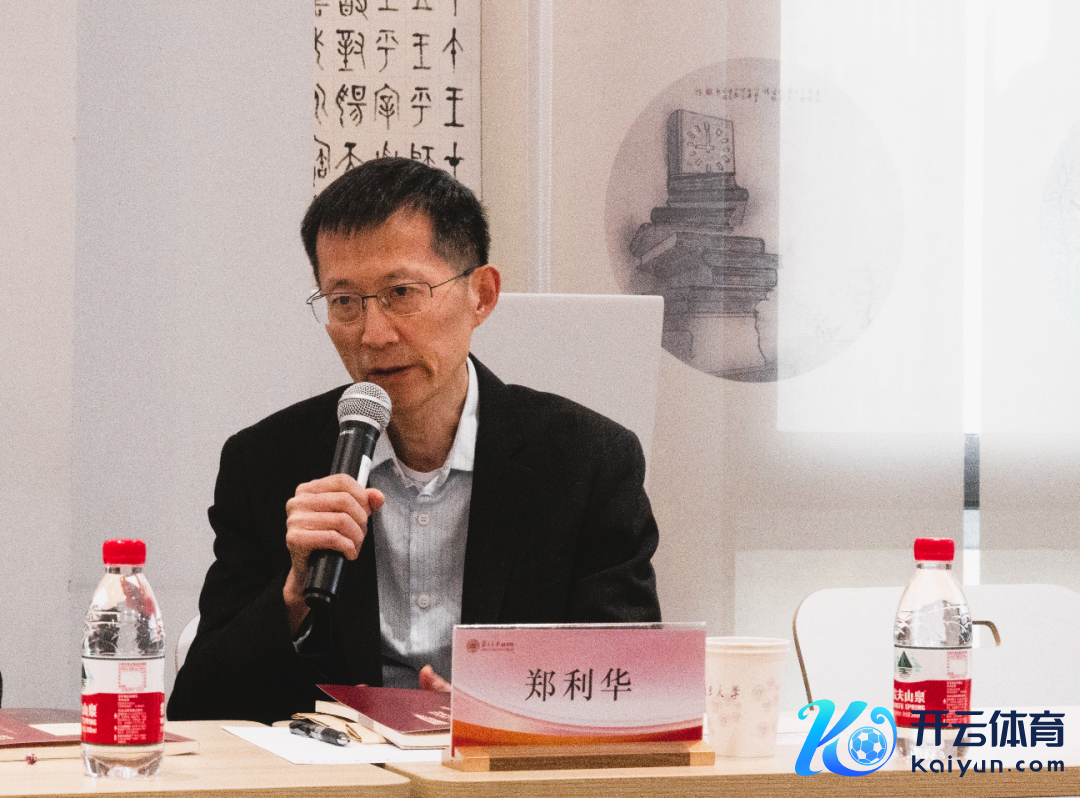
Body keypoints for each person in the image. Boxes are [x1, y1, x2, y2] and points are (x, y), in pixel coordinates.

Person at [168, 158, 660, 724]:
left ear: (481, 295)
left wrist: (497, 716)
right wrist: (294, 595)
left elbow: (632, 693)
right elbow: (197, 711)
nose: (373, 335)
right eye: (344, 301)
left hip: (504, 767)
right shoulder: (266, 462)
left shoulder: (587, 462)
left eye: (401, 292)